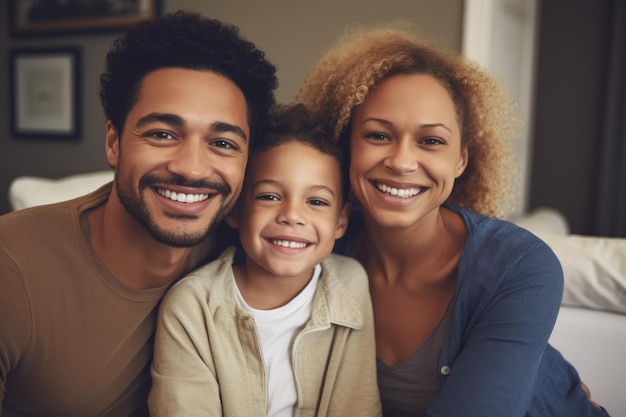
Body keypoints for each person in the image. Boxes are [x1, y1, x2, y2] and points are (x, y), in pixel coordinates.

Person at [294, 26, 611, 416]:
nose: (402, 161)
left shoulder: (521, 265)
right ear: (347, 146)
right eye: (378, 135)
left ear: (461, 159)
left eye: (431, 141)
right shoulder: (311, 248)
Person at [0, 10, 277, 417]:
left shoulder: (248, 245)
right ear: (114, 142)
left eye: (223, 143)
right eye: (162, 134)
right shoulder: (14, 263)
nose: (192, 168)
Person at [148, 104, 382, 417]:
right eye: (269, 196)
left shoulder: (350, 283)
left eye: (316, 201)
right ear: (234, 210)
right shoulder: (193, 305)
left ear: (340, 221)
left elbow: (357, 405)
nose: (292, 216)